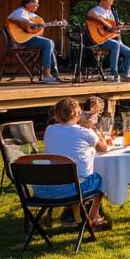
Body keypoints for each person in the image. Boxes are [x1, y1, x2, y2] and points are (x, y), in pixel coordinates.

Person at [41, 97, 110, 229]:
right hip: (75, 189)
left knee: (75, 176)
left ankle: (72, 216)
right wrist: (94, 131)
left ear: (57, 115)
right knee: (99, 177)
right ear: (76, 114)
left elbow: (67, 136)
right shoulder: (85, 132)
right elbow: (103, 148)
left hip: (50, 188)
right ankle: (93, 217)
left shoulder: (49, 130)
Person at [6, 0, 64, 83]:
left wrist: (39, 27)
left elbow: (34, 32)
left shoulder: (32, 15)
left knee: (50, 43)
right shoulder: (21, 11)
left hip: (26, 39)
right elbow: (20, 18)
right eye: (36, 3)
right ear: (28, 3)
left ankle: (54, 73)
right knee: (48, 43)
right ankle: (47, 75)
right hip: (20, 40)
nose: (38, 5)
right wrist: (32, 23)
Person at [87, 0, 130, 82]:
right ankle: (113, 73)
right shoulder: (96, 9)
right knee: (116, 45)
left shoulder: (113, 12)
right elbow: (90, 13)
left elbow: (114, 28)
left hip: (110, 38)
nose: (112, 1)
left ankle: (125, 74)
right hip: (99, 39)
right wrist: (105, 23)